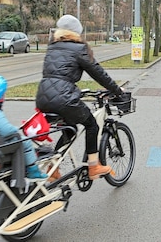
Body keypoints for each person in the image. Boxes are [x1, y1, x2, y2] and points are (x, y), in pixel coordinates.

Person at [36, 14, 123, 180]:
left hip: (43, 97)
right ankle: (94, 167)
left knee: (70, 129)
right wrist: (117, 90)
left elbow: (57, 74)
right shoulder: (79, 48)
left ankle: (53, 167)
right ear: (77, 32)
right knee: (91, 125)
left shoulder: (52, 46)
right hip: (64, 98)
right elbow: (98, 73)